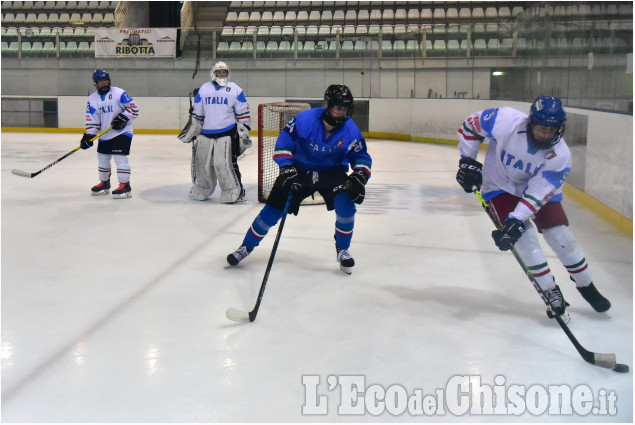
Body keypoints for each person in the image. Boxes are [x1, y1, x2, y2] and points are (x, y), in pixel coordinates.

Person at [456, 96, 611, 318]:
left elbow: (538, 192)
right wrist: (467, 160)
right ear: (530, 122)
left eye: (552, 130)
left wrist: (516, 219)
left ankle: (587, 286)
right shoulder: (506, 120)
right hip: (500, 185)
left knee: (561, 237)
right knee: (525, 239)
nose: (546, 135)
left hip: (536, 191)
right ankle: (550, 290)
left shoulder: (561, 155)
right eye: (541, 129)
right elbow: (471, 124)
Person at [226, 84, 372, 274]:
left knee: (346, 202)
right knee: (273, 210)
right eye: (337, 108)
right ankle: (245, 247)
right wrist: (286, 168)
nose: (340, 113)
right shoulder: (305, 120)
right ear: (327, 105)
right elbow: (284, 144)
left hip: (332, 171)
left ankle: (343, 249)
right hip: (299, 170)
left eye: (343, 109)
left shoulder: (350, 129)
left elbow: (361, 157)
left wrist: (360, 174)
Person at [178, 61, 252, 203]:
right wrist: (194, 128)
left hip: (228, 133)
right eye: (219, 72)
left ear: (228, 73)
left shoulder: (235, 89)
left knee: (227, 163)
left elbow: (243, 112)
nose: (222, 74)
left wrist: (244, 130)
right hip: (206, 133)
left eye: (224, 72)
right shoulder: (204, 89)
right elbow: (198, 112)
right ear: (213, 73)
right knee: (203, 164)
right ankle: (202, 188)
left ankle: (237, 190)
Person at [81, 69, 139, 198]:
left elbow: (134, 109)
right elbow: (92, 119)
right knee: (102, 159)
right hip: (105, 135)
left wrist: (124, 117)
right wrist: (89, 135)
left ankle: (125, 186)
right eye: (101, 81)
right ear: (96, 83)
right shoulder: (92, 99)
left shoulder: (119, 92)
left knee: (120, 159)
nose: (104, 82)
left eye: (106, 80)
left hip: (122, 132)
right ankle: (104, 183)